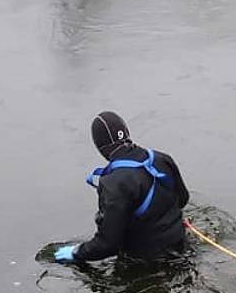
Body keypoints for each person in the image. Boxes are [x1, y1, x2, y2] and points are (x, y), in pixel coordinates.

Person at [53, 111, 190, 264]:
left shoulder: (113, 183)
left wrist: (76, 252)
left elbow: (107, 245)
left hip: (147, 262)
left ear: (99, 146)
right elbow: (183, 199)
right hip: (181, 245)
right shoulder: (161, 159)